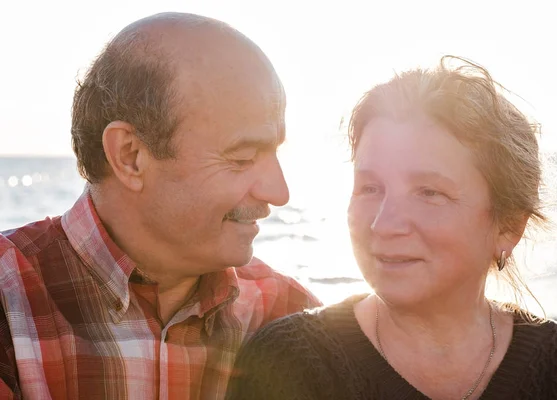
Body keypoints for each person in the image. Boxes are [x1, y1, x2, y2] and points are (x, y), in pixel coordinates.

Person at [225, 56, 557, 400]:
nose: (383, 224)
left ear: (509, 226)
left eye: (429, 192)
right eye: (370, 188)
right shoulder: (292, 362)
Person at [0, 12, 321, 399]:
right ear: (131, 156)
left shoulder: (290, 316)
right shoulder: (8, 300)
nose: (279, 192)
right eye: (242, 156)